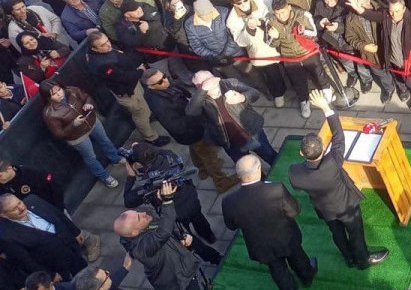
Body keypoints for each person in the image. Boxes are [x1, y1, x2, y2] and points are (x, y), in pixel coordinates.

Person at [289, 90, 389, 269]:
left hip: (325, 209)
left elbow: (296, 186)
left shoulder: (295, 173)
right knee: (355, 232)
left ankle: (349, 258)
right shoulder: (333, 161)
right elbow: (338, 134)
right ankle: (363, 259)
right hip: (346, 206)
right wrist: (325, 107)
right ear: (322, 149)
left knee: (337, 233)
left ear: (301, 153)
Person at [222, 155, 316, 290]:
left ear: (238, 175)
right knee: (298, 258)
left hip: (261, 246)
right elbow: (294, 211)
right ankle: (307, 277)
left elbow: (231, 226)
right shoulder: (276, 189)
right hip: (286, 237)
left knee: (278, 271)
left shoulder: (228, 201)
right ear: (258, 169)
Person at [113, 180, 208, 290]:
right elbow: (163, 233)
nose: (143, 213)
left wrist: (182, 236)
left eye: (138, 213)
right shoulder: (140, 249)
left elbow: (166, 224)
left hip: (184, 268)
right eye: (139, 218)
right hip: (178, 282)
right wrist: (167, 201)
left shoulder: (145, 223)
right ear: (134, 232)